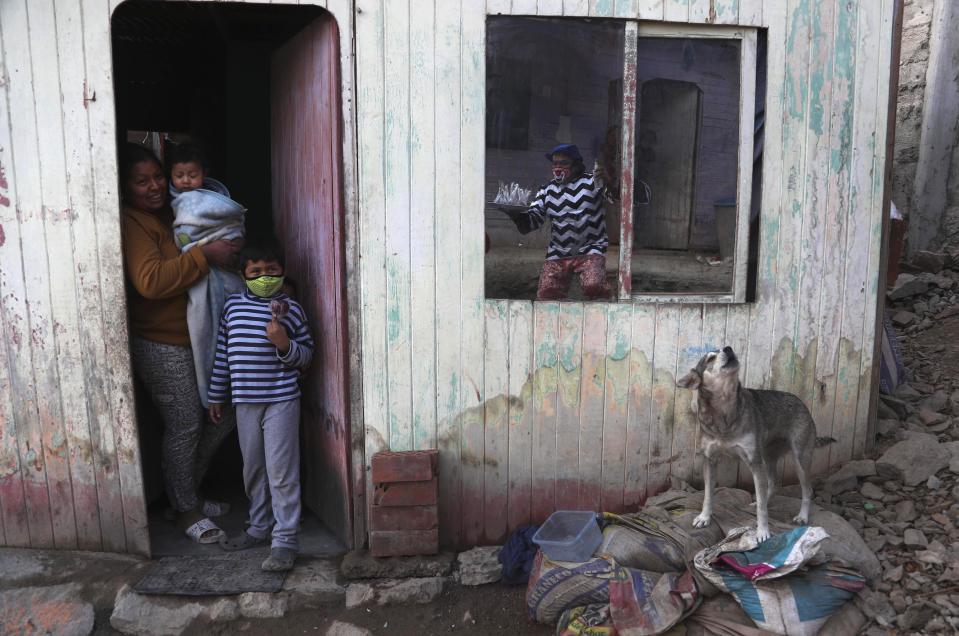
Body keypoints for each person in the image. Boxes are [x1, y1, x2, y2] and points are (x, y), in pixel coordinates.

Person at [119, 142, 241, 544]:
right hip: (160, 341)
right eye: (141, 181)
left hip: (195, 336)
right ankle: (185, 507)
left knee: (221, 415)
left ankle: (185, 493)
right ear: (125, 186)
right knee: (186, 422)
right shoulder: (133, 222)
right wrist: (206, 255)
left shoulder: (174, 212)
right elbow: (151, 281)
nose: (153, 186)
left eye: (158, 176)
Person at [209, 242, 313, 572]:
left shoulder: (291, 309)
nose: (264, 277)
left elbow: (307, 356)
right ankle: (259, 527)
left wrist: (284, 345)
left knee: (282, 473)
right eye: (256, 272)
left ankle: (285, 540)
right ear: (243, 275)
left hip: (282, 399)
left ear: (282, 273)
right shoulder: (232, 308)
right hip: (244, 402)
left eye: (271, 271)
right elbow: (223, 354)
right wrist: (215, 395)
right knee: (253, 469)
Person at [165, 143, 246, 409]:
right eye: (179, 175)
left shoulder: (213, 198)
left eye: (192, 174)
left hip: (225, 269)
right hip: (201, 278)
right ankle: (214, 393)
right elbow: (184, 230)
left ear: (205, 174)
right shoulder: (176, 203)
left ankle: (237, 387)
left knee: (235, 330)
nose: (186, 182)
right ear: (171, 176)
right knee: (204, 330)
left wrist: (228, 239)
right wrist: (200, 249)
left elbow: (232, 220)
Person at [526, 143, 612, 301]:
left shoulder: (591, 182)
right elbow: (533, 220)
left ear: (576, 165)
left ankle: (606, 309)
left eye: (564, 163)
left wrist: (609, 182)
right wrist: (518, 215)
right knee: (547, 293)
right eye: (555, 163)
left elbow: (615, 197)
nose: (558, 167)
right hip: (558, 251)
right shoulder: (547, 190)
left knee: (593, 285)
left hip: (590, 248)